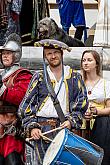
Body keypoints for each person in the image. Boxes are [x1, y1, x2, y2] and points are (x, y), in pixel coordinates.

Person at [18, 39, 88, 164]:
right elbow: (26, 106)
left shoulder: (74, 77)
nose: (53, 56)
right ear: (45, 56)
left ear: (62, 54)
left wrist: (71, 121)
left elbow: (82, 103)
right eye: (49, 53)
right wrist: (33, 127)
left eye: (56, 52)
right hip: (41, 130)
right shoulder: (39, 77)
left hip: (64, 129)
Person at [0, 33, 32, 165]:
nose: (5, 56)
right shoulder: (2, 74)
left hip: (12, 127)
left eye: (9, 53)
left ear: (16, 55)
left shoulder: (23, 74)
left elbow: (19, 97)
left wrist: (1, 87)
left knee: (12, 161)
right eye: (3, 53)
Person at [81, 50, 110, 165]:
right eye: (83, 60)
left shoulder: (105, 84)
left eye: (89, 60)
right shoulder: (78, 82)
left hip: (101, 124)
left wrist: (97, 111)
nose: (85, 63)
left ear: (96, 63)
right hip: (81, 122)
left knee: (104, 121)